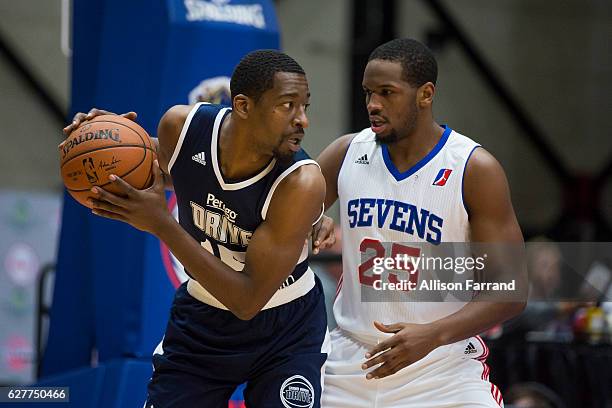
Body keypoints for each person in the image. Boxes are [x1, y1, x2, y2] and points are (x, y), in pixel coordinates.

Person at [63, 50, 330, 408]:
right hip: (203, 320)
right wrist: (99, 140)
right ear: (243, 105)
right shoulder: (181, 127)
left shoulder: (301, 182)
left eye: (305, 107)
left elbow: (247, 300)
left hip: (286, 326)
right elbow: (164, 168)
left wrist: (161, 224)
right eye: (287, 106)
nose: (303, 120)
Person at [313, 38, 526, 407]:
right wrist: (313, 219)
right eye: (367, 93)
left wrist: (432, 335)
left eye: (386, 93)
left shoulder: (474, 169)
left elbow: (511, 289)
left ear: (425, 95)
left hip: (441, 368)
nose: (373, 105)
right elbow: (281, 214)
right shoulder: (347, 152)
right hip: (350, 362)